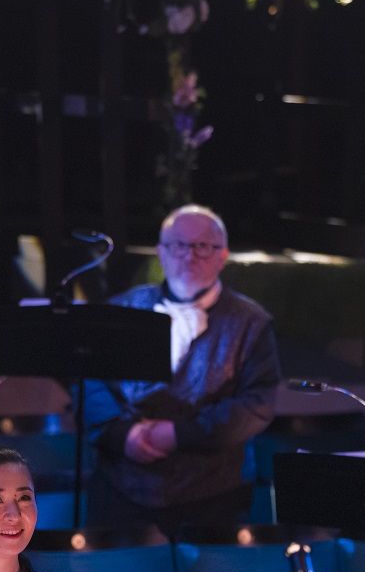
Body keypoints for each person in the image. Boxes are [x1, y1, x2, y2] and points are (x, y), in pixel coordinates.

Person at [85, 205, 281, 535]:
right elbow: (89, 383)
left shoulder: (251, 322)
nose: (190, 256)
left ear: (223, 256)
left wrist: (177, 435)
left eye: (203, 246)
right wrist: (126, 435)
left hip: (212, 500)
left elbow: (257, 404)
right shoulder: (121, 309)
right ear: (161, 253)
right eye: (178, 245)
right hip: (121, 492)